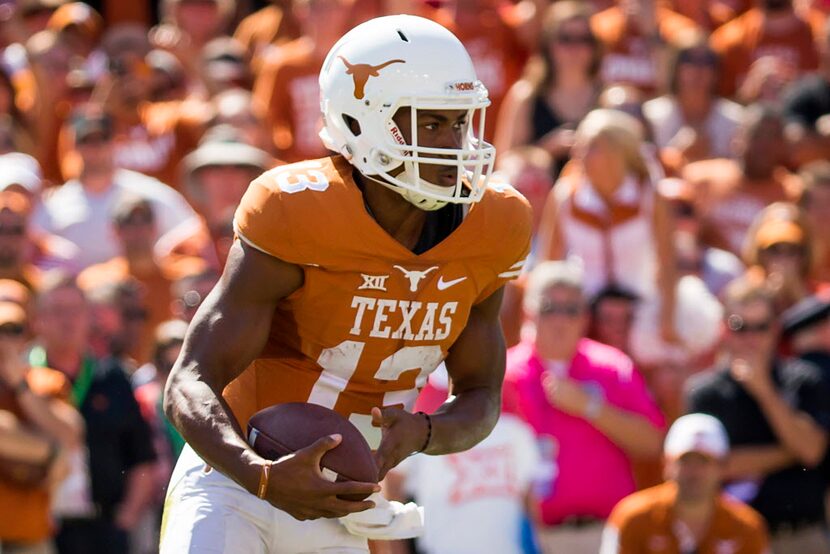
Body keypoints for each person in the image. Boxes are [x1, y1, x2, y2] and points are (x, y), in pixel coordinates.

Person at [161, 14, 532, 554]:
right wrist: (260, 474)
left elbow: (480, 395)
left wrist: (424, 433)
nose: (453, 145)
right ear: (364, 121)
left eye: (459, 123)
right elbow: (189, 381)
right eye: (430, 124)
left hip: (343, 504)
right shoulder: (296, 210)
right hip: (235, 475)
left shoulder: (494, 224)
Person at [503, 261, 665, 554]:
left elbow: (652, 443)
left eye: (571, 310)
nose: (560, 320)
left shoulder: (612, 366)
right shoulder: (504, 374)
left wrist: (591, 407)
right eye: (550, 308)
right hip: (527, 536)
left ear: (585, 317)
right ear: (529, 311)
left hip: (604, 535)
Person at [684, 279, 830, 552]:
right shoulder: (705, 392)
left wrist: (765, 393)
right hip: (730, 540)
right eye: (741, 327)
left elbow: (811, 451)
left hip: (799, 537)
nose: (751, 338)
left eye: (761, 327)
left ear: (775, 329)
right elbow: (712, 467)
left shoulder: (804, 379)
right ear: (725, 328)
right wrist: (789, 452)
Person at [31, 275, 157, 554]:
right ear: (38, 320)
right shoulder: (20, 379)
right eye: (57, 311)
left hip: (105, 527)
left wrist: (128, 517)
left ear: (89, 318)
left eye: (75, 311)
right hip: (38, 529)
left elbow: (142, 456)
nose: (68, 321)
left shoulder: (113, 377)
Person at [33, 108, 200, 269]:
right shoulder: (55, 205)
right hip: (80, 293)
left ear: (115, 142)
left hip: (139, 293)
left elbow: (191, 230)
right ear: (75, 147)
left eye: (102, 139)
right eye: (87, 141)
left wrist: (161, 255)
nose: (96, 149)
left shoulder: (150, 193)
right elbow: (36, 246)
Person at [601, 413, 769, 554]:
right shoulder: (633, 517)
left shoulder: (746, 526)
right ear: (666, 464)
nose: (694, 471)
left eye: (704, 461)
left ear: (722, 467)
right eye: (685, 460)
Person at [0, 301, 83, 554]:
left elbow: (71, 434)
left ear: (26, 336)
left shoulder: (44, 380)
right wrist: (50, 452)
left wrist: (20, 387)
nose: (4, 341)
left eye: (12, 330)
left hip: (30, 532)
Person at [495, 1, 602, 179]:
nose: (575, 49)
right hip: (539, 196)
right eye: (566, 39)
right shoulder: (526, 95)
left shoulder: (608, 96)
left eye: (584, 39)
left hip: (593, 199)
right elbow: (505, 162)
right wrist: (546, 150)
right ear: (548, 44)